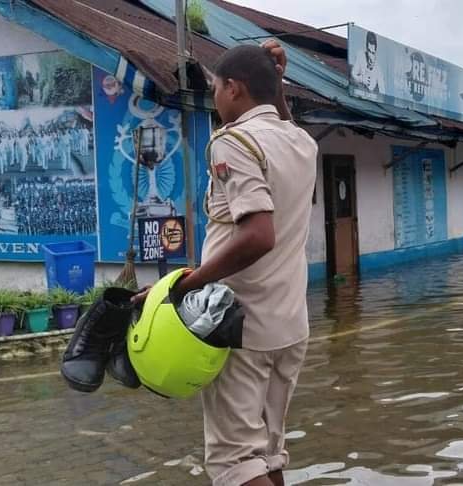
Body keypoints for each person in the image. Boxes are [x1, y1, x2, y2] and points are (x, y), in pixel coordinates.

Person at [133, 41, 317, 486]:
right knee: (267, 455)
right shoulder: (302, 141)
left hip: (241, 328)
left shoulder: (231, 142)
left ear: (234, 88)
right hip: (290, 327)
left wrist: (187, 284)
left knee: (234, 462)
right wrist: (277, 86)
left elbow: (258, 235)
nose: (214, 98)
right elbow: (283, 126)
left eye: (216, 87)